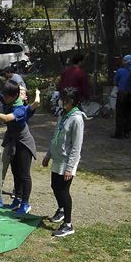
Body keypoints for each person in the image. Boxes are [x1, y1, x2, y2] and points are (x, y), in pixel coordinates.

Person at [42, 87, 85, 237]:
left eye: (64, 99)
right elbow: (55, 136)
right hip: (57, 158)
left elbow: (76, 146)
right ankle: (61, 210)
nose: (61, 101)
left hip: (67, 161)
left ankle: (68, 224)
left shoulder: (77, 119)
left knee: (63, 191)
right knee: (55, 185)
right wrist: (48, 155)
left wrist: (70, 167)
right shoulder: (63, 114)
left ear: (72, 102)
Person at [0, 80, 37, 215]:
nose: (4, 98)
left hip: (24, 144)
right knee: (15, 172)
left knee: (24, 174)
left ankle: (25, 203)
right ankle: (17, 199)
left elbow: (7, 118)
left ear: (14, 96)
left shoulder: (20, 108)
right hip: (14, 142)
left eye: (6, 96)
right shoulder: (9, 99)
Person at [112, 54, 131, 139]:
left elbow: (115, 82)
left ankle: (118, 133)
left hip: (122, 94)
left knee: (120, 113)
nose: (122, 61)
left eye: (124, 60)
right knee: (129, 113)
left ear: (127, 62)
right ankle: (127, 132)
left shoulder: (120, 71)